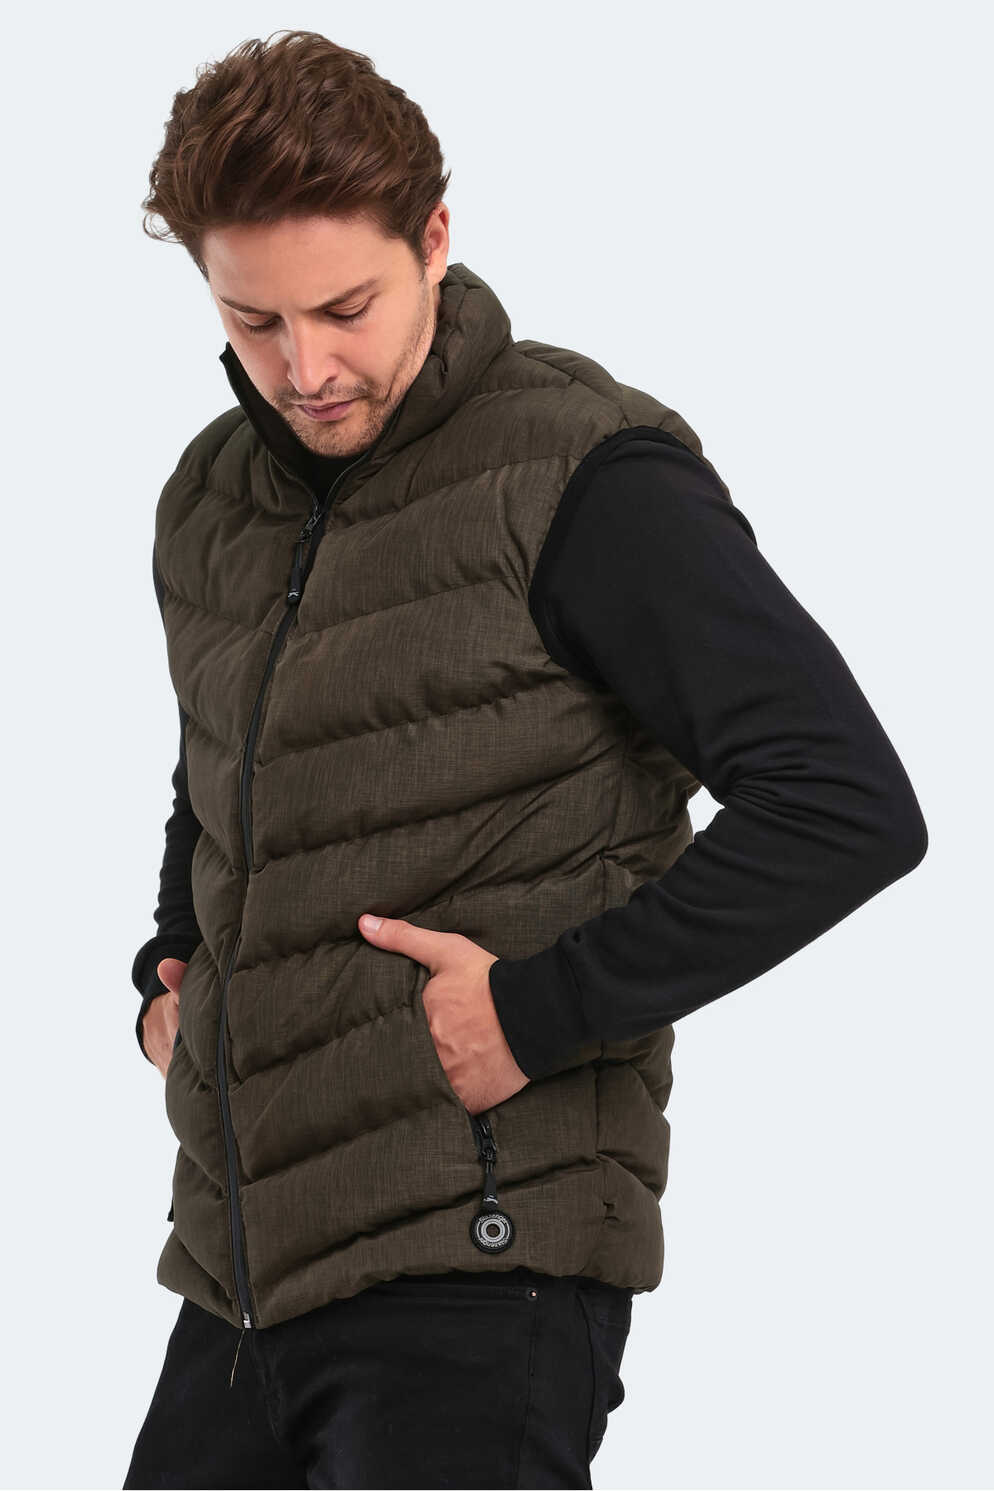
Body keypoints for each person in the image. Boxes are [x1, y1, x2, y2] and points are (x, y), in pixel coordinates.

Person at [122, 28, 928, 1491]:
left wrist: (537, 1010)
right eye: (253, 321)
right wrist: (165, 974)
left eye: (345, 308)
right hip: (238, 1278)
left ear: (434, 239)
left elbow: (844, 803)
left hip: (483, 1267)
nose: (305, 369)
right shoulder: (212, 498)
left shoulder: (583, 476)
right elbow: (215, 765)